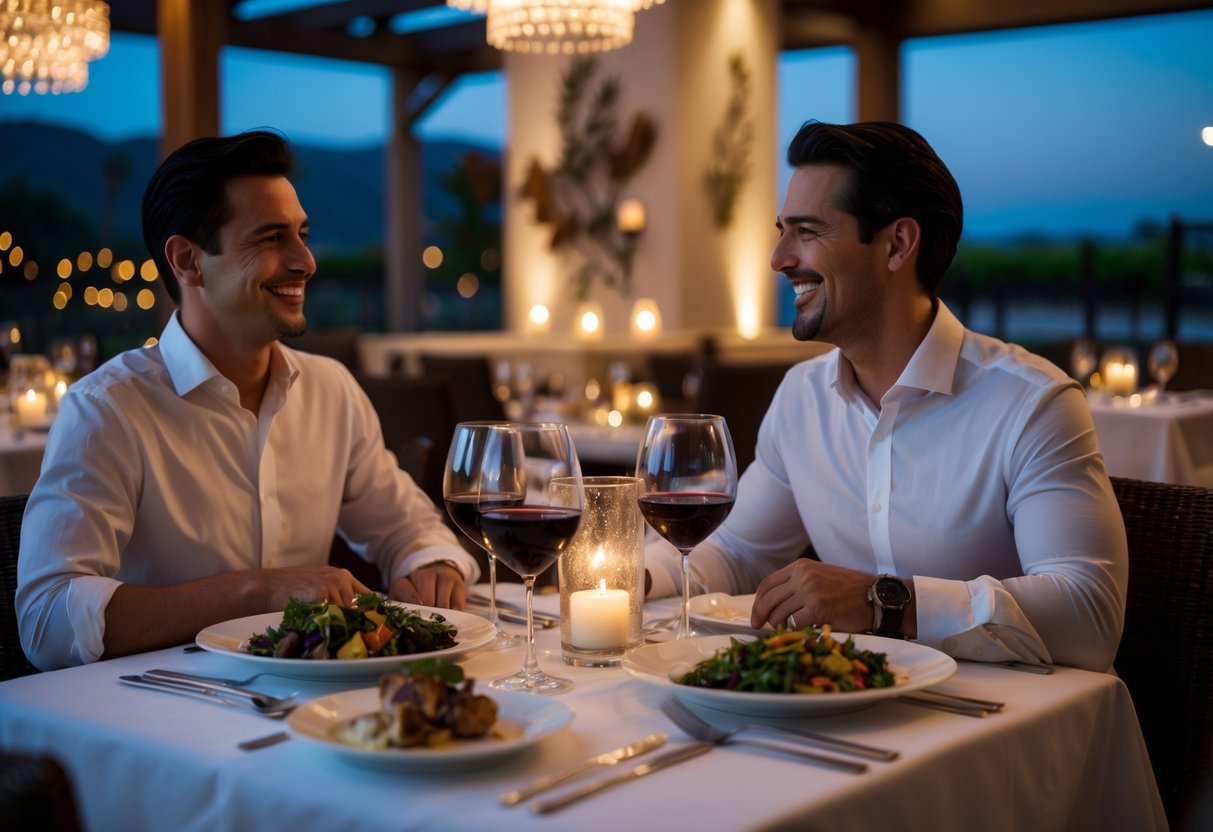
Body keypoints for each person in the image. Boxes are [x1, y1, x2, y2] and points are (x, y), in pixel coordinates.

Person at [646, 121, 1127, 672]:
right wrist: (630, 577)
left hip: (1007, 732)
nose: (779, 258)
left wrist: (882, 601)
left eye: (807, 231)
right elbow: (734, 553)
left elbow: (1091, 618)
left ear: (897, 244)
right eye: (781, 230)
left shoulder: (1032, 405)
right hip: (850, 717)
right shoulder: (803, 398)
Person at [16, 130, 479, 670]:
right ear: (187, 260)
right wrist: (256, 592)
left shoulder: (332, 390)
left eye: (302, 234)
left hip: (315, 709)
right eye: (270, 238)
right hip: (165, 709)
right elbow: (46, 620)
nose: (305, 260)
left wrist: (432, 563)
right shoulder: (106, 410)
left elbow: (406, 528)